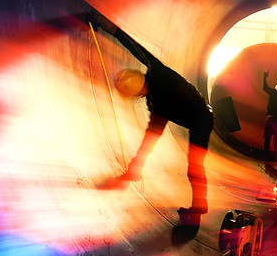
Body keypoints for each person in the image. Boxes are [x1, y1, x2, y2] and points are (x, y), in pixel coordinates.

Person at [88, 11, 214, 227]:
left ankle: (199, 205)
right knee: (194, 165)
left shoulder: (160, 93)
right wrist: (112, 30)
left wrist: (135, 167)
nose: (140, 97)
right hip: (192, 114)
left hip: (202, 119)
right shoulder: (155, 80)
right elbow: (139, 51)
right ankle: (199, 204)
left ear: (140, 90)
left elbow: (152, 134)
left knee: (194, 166)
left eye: (139, 94)